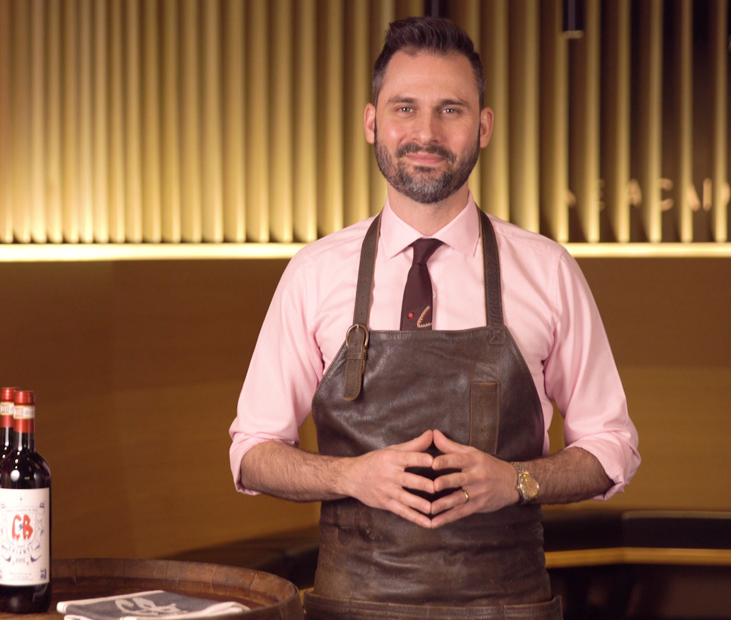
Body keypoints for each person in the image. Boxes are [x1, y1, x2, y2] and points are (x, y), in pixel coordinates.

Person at [228, 15, 640, 620]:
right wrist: (352, 477)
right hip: (350, 609)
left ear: (484, 126)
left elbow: (613, 445)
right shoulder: (315, 272)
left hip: (509, 607)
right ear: (372, 122)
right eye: (404, 108)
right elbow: (252, 451)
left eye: (451, 110)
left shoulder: (547, 270)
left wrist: (517, 481)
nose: (426, 132)